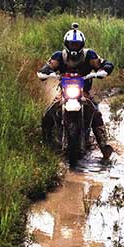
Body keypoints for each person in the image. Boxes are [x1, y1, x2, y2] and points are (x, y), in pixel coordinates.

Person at [38, 26, 115, 160]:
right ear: (66, 44)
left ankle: (103, 145)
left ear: (82, 44)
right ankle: (46, 142)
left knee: (95, 112)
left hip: (84, 92)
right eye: (71, 44)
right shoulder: (59, 56)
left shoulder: (89, 55)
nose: (74, 46)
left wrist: (105, 69)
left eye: (77, 44)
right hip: (64, 92)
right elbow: (48, 66)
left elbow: (103, 63)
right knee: (48, 113)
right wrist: (46, 72)